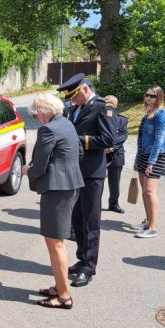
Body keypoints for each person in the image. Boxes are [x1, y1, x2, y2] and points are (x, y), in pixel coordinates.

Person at [22, 93, 84, 309]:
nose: (36, 117)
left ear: (43, 111)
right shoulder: (66, 123)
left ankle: (64, 296)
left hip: (57, 190)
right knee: (57, 242)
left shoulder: (48, 129)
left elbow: (39, 165)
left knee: (55, 243)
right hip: (69, 185)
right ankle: (59, 286)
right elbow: (79, 154)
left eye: (36, 112)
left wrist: (27, 171)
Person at [57, 73, 116, 287]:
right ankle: (82, 258)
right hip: (74, 171)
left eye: (74, 96)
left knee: (91, 221)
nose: (73, 101)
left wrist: (78, 140)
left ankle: (89, 268)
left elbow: (108, 139)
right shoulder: (75, 109)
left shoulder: (103, 107)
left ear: (84, 89)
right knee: (76, 219)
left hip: (92, 172)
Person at [133, 85, 165, 238]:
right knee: (144, 192)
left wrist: (151, 162)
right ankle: (148, 220)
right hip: (143, 155)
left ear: (159, 97)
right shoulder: (148, 113)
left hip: (157, 155)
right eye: (147, 95)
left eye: (152, 96)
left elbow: (159, 140)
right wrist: (137, 159)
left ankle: (153, 228)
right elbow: (141, 138)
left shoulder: (161, 115)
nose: (148, 98)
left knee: (149, 191)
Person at [104, 95, 128, 213]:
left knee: (115, 182)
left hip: (116, 154)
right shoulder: (100, 117)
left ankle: (114, 203)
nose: (109, 105)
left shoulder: (122, 120)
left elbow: (123, 136)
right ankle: (93, 203)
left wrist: (111, 147)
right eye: (106, 102)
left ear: (116, 105)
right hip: (101, 153)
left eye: (111, 103)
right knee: (96, 181)